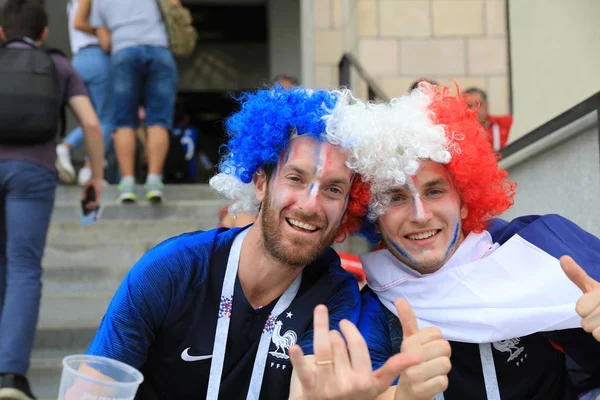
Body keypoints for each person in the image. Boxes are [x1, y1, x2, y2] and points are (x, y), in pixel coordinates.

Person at [82, 87, 378, 399]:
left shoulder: (333, 292)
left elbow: (311, 386)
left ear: (349, 205)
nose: (310, 205)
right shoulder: (172, 269)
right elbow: (92, 387)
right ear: (261, 183)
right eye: (295, 178)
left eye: (333, 190)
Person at [324, 83, 600, 399]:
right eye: (395, 197)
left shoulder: (537, 249)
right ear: (374, 214)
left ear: (465, 200)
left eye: (435, 191)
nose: (420, 215)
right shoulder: (371, 311)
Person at [0, 0, 104, 398]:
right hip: (33, 173)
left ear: (2, 31)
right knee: (24, 267)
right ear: (44, 32)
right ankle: (11, 377)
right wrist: (95, 176)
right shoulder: (58, 64)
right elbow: (91, 123)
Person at [89, 0, 178, 203]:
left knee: (124, 122)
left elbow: (105, 42)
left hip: (124, 51)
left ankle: (127, 184)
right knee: (158, 121)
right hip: (159, 50)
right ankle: (154, 181)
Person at [56, 0, 113, 186]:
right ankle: (87, 167)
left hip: (79, 59)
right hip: (97, 57)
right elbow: (79, 23)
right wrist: (103, 32)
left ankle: (68, 151)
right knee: (106, 120)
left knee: (90, 119)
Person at [463, 87, 513, 152]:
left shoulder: (505, 123)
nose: (475, 110)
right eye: (469, 106)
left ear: (487, 105)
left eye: (479, 104)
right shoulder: (458, 134)